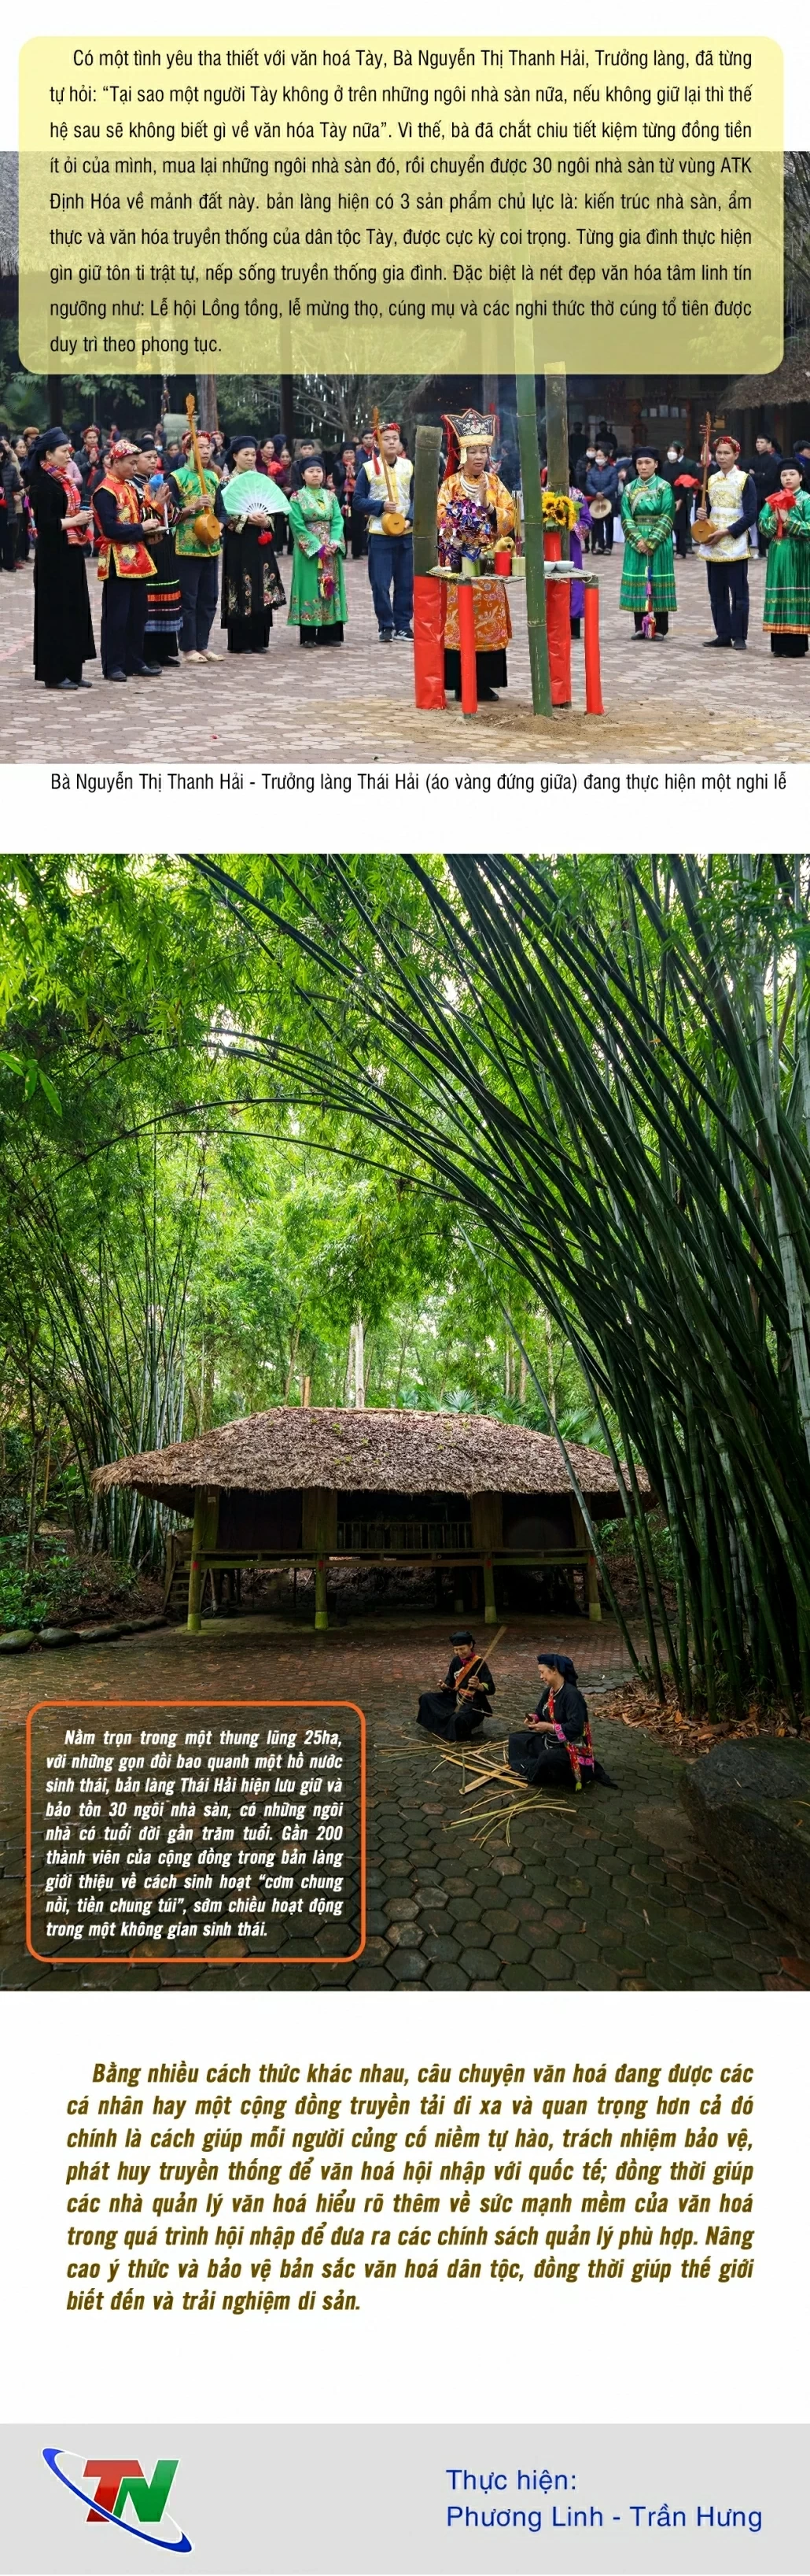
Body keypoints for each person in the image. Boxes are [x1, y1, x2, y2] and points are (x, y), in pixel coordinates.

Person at [436, 408, 517, 696]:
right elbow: (442, 519)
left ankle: (485, 683)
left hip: (490, 562)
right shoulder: (451, 484)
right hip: (461, 561)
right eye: (473, 451)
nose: (479, 457)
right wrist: (462, 533)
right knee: (461, 621)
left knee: (489, 620)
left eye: (483, 451)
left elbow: (510, 517)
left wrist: (490, 508)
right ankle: (461, 683)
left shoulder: (495, 484)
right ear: (462, 454)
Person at [26, 426, 97, 689]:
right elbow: (45, 524)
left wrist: (81, 520)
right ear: (48, 454)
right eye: (64, 451)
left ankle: (74, 668)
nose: (69, 456)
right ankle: (54, 673)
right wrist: (74, 521)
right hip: (52, 555)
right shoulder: (41, 484)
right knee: (55, 611)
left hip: (71, 551)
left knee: (75, 607)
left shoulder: (64, 480)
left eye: (69, 450)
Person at [92, 438, 164, 681]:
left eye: (136, 463)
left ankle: (134, 660)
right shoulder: (105, 491)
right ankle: (113, 664)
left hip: (137, 558)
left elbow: (138, 517)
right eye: (131, 463)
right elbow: (110, 528)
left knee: (138, 614)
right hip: (116, 559)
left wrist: (149, 530)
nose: (135, 468)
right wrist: (141, 528)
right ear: (116, 462)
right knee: (116, 615)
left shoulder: (130, 488)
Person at [215, 431, 285, 652]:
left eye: (252, 454)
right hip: (238, 542)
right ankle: (240, 641)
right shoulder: (225, 482)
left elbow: (272, 508)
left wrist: (266, 520)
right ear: (235, 456)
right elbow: (222, 513)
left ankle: (259, 639)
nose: (250, 458)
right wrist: (246, 518)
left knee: (261, 583)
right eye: (245, 454)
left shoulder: (261, 480)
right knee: (239, 584)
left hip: (260, 541)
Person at [696, 434, 757, 651]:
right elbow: (706, 509)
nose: (722, 457)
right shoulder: (710, 479)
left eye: (726, 453)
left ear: (736, 455)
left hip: (734, 540)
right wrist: (702, 513)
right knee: (717, 593)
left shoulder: (744, 480)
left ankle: (738, 635)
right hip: (713, 541)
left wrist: (728, 531)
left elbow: (751, 514)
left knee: (739, 594)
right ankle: (722, 634)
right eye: (719, 453)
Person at [354, 422, 414, 640]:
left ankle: (403, 625)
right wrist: (380, 507)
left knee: (406, 583)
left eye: (394, 439)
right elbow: (357, 500)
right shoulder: (368, 469)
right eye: (386, 439)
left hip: (405, 533)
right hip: (380, 534)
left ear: (400, 443)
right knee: (380, 584)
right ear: (378, 443)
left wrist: (410, 520)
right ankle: (385, 625)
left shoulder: (409, 466)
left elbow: (417, 498)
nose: (391, 442)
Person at [168, 427, 223, 663]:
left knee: (209, 598)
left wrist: (218, 527)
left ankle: (203, 644)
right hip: (186, 546)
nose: (206, 451)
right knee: (188, 599)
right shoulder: (176, 478)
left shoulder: (212, 477)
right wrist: (192, 507)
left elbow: (223, 512)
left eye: (208, 447)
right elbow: (169, 516)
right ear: (188, 450)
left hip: (210, 545)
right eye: (200, 447)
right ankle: (188, 647)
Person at [508, 1652, 598, 1791]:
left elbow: (576, 1729)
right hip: (550, 1742)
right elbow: (540, 1713)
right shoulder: (549, 1692)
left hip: (570, 1748)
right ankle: (539, 1767)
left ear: (555, 1670)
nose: (541, 1677)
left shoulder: (572, 1695)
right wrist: (534, 1719)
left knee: (547, 1757)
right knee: (516, 1739)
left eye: (542, 1672)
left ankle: (542, 1772)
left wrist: (549, 1727)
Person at [131, 442, 183, 666]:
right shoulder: (131, 486)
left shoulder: (160, 481)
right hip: (145, 546)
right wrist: (155, 503)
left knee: (166, 596)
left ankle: (164, 650)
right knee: (149, 601)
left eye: (155, 457)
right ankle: (147, 653)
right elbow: (134, 516)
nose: (153, 461)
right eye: (148, 457)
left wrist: (168, 506)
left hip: (164, 545)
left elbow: (173, 518)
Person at [287, 454, 347, 646]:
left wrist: (335, 542)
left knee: (331, 586)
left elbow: (337, 520)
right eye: (311, 472)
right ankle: (308, 635)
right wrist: (317, 547)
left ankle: (329, 633)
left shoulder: (331, 496)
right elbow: (297, 525)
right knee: (310, 588)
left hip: (331, 549)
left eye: (319, 471)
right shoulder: (297, 498)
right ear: (303, 475)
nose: (315, 475)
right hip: (309, 553)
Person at [619, 445, 676, 638]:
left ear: (656, 465)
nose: (643, 467)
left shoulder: (664, 487)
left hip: (659, 540)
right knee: (640, 580)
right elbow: (626, 517)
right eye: (640, 463)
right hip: (636, 541)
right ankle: (640, 627)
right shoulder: (629, 489)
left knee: (658, 580)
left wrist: (651, 542)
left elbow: (667, 516)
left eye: (648, 463)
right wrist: (639, 542)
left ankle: (661, 628)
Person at [759, 461, 810, 655]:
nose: (787, 478)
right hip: (778, 552)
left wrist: (788, 520)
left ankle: (796, 646)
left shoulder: (806, 500)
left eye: (792, 474)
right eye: (784, 475)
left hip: (798, 551)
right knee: (779, 594)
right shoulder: (774, 499)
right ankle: (778, 645)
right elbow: (763, 526)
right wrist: (776, 518)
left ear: (801, 477)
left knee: (796, 594)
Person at [416, 1629, 495, 1741]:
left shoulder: (479, 1663)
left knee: (457, 1720)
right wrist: (445, 1686)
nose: (459, 1653)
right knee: (426, 1698)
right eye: (456, 1650)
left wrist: (479, 1686)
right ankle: (439, 1728)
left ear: (471, 1645)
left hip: (472, 1705)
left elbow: (491, 1688)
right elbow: (450, 1681)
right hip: (455, 1698)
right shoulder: (456, 1661)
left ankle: (451, 1731)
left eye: (462, 1649)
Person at [661, 441, 700, 556]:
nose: (671, 453)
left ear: (679, 453)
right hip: (666, 499)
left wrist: (680, 500)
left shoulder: (682, 467)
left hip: (679, 500)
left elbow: (685, 486)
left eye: (674, 451)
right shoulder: (664, 466)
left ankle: (681, 550)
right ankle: (667, 550)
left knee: (680, 527)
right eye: (670, 451)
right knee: (666, 526)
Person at [585, 445, 619, 552]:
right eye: (597, 456)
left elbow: (614, 484)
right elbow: (588, 483)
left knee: (609, 524)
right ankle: (600, 545)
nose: (598, 458)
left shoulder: (612, 470)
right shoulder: (592, 471)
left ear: (606, 458)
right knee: (598, 524)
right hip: (596, 500)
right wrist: (596, 493)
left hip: (608, 500)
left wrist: (604, 493)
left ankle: (608, 546)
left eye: (600, 456)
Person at [0, 430, 22, 571]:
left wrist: (21, 485)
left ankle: (9, 563)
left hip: (6, 507)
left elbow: (15, 485)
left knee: (7, 537)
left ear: (2, 454)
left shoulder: (11, 468)